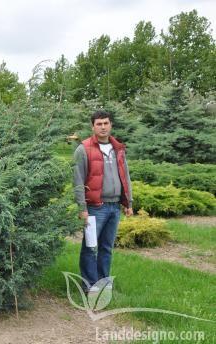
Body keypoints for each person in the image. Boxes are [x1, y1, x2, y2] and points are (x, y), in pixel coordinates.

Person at [73, 110, 133, 292]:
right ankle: (89, 285)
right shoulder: (83, 149)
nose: (103, 127)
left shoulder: (118, 149)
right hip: (94, 208)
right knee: (91, 247)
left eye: (106, 123)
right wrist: (82, 207)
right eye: (99, 124)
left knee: (107, 247)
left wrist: (128, 203)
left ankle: (103, 282)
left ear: (111, 125)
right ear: (93, 126)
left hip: (114, 207)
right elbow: (77, 180)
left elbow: (126, 176)